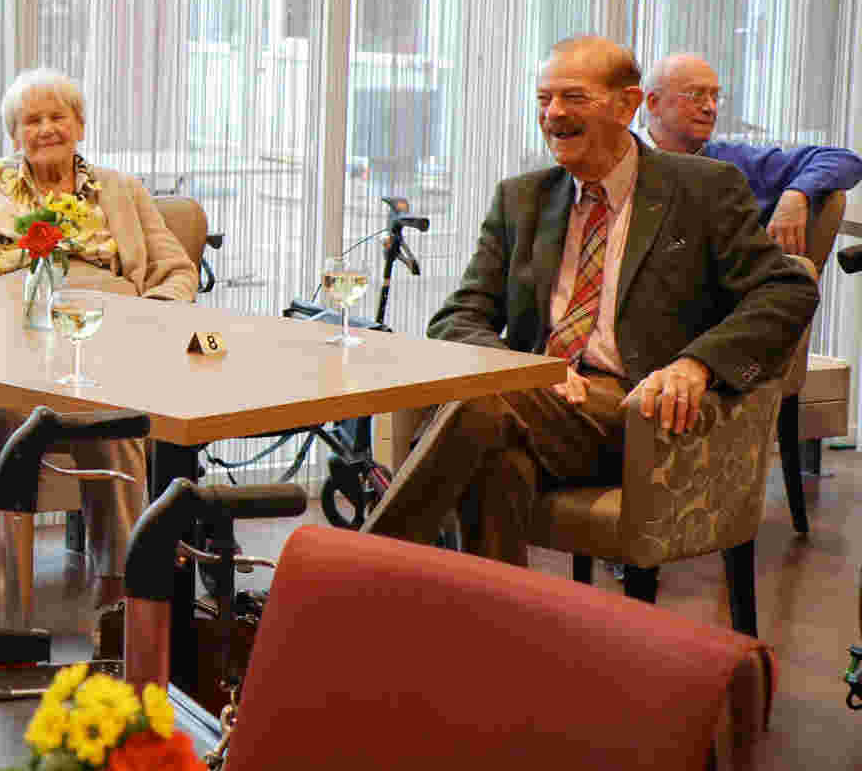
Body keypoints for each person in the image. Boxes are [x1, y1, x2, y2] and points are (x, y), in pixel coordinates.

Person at [365, 37, 818, 564]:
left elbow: (786, 288)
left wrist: (698, 365)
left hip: (641, 414)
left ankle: (360, 573)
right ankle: (494, 637)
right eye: (543, 100)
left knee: (482, 403)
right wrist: (531, 371)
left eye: (573, 98)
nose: (553, 114)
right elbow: (458, 317)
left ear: (627, 106)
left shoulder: (703, 189)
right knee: (493, 448)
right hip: (538, 409)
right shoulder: (523, 199)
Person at [0, 68, 197, 650]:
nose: (47, 128)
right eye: (32, 120)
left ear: (80, 125)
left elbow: (177, 272)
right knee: (2, 419)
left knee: (116, 428)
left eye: (58, 116)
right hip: (10, 352)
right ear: (14, 135)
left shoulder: (121, 191)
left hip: (105, 347)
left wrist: (147, 321)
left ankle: (117, 600)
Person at [642, 52, 862, 256]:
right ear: (654, 103)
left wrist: (797, 193)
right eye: (696, 95)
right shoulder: (623, 158)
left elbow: (844, 160)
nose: (710, 107)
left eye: (715, 96)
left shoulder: (737, 161)